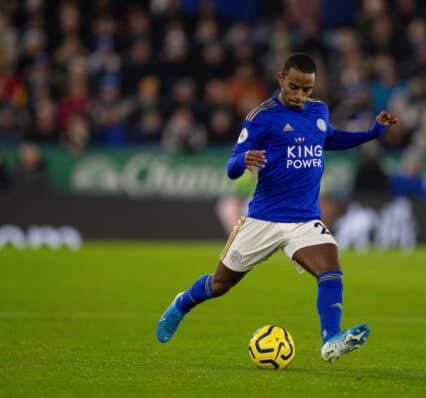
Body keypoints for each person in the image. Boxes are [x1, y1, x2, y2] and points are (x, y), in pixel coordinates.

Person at [156, 53, 399, 362]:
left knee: (330, 268)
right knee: (219, 284)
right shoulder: (262, 116)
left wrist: (373, 132)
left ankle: (330, 340)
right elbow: (232, 165)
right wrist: (242, 161)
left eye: (307, 89)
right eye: (294, 87)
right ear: (281, 80)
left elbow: (331, 138)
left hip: (304, 219)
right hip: (264, 219)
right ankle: (182, 304)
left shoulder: (319, 111)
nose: (300, 96)